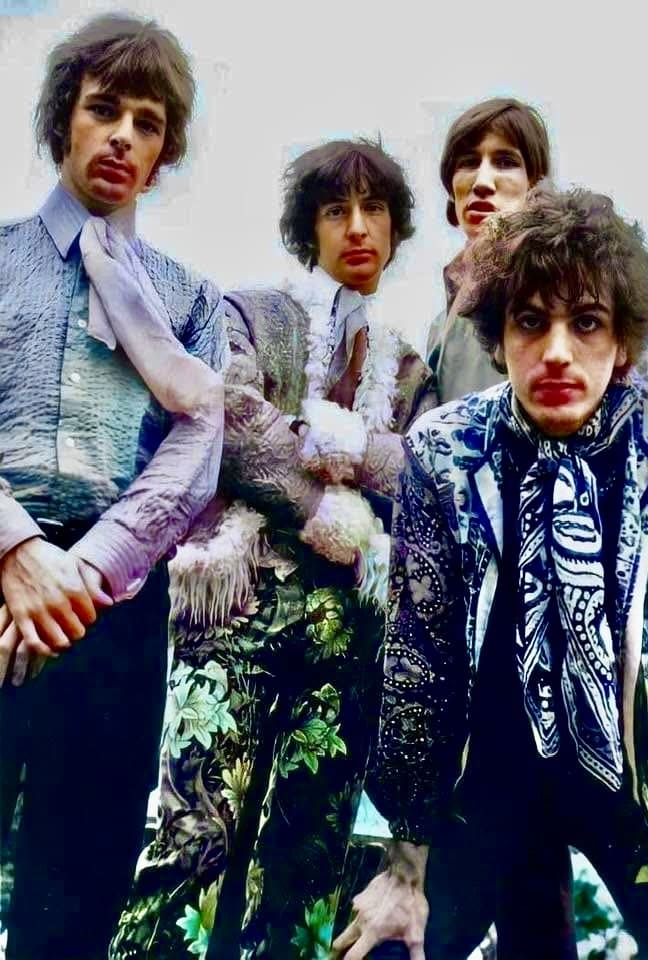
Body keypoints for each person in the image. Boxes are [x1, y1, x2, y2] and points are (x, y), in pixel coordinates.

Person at [109, 138, 436, 960]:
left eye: (374, 210)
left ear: (394, 228)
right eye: (336, 210)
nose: (356, 227)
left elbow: (420, 470)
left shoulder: (409, 364)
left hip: (348, 633)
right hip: (237, 608)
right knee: (192, 841)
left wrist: (347, 444)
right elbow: (233, 422)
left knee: (303, 866)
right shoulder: (249, 311)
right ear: (307, 227)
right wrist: (331, 503)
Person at [333, 186, 648, 960]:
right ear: (498, 336)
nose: (556, 351)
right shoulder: (446, 450)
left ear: (622, 340)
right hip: (486, 772)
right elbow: (419, 664)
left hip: (634, 784)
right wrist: (404, 865)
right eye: (531, 321)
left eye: (586, 322)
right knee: (391, 944)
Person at [0, 14, 228, 960]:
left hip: (110, 605)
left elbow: (197, 446)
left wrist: (83, 571)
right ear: (64, 118)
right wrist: (17, 550)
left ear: (164, 151)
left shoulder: (189, 299)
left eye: (148, 123)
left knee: (78, 888)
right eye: (104, 110)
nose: (124, 137)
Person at [426, 97, 550, 402]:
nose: (482, 182)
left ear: (534, 183)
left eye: (505, 162)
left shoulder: (560, 287)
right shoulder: (441, 323)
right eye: (468, 162)